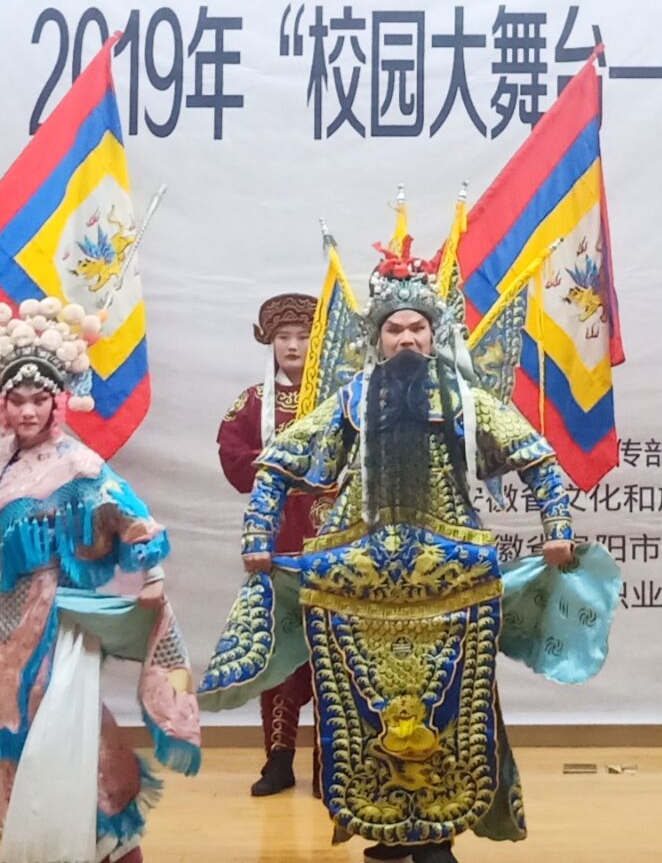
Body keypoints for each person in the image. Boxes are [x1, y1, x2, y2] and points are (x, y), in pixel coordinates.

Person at [200, 236, 613, 863]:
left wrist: (557, 525)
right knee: (363, 708)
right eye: (395, 329)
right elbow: (279, 460)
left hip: (452, 577)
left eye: (418, 327)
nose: (407, 339)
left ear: (434, 334)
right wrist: (258, 535)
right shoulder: (352, 400)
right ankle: (389, 825)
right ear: (377, 338)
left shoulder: (465, 400)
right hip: (357, 579)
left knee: (451, 706)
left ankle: (437, 833)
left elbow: (537, 458)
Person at [0, 298, 200, 863]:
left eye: (39, 400)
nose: (28, 411)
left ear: (58, 402)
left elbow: (132, 519)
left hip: (55, 615)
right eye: (18, 400)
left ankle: (109, 843)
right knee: (8, 724)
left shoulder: (79, 466)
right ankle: (30, 840)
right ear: (0, 404)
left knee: (65, 726)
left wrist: (152, 575)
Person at [214, 292, 323, 796]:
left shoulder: (340, 399)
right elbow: (233, 456)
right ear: (270, 342)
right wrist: (280, 466)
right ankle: (278, 760)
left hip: (331, 537)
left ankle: (332, 761)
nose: (293, 346)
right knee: (278, 650)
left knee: (333, 653)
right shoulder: (254, 401)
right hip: (276, 536)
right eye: (283, 337)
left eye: (303, 336)